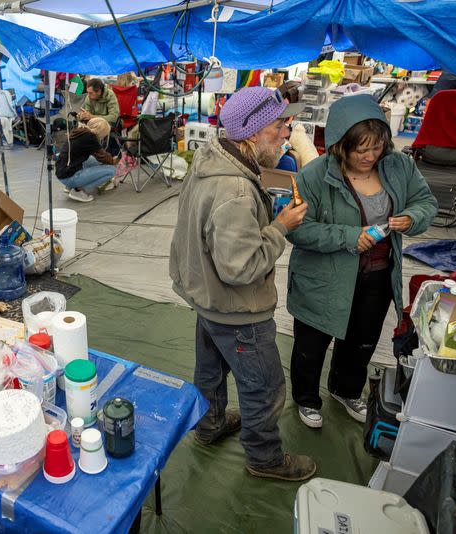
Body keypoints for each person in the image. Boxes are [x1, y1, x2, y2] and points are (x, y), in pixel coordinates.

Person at [169, 87, 316, 481]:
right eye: (280, 125)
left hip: (206, 297)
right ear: (252, 133)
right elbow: (241, 267)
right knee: (264, 386)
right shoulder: (234, 189)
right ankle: (264, 458)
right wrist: (280, 228)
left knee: (211, 370)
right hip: (236, 309)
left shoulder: (212, 159)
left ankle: (210, 422)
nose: (287, 133)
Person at [286, 95, 438, 429]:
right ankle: (307, 398)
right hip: (324, 279)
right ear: (341, 145)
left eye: (377, 148)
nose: (370, 157)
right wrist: (348, 236)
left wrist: (412, 217)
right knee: (312, 344)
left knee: (362, 340)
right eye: (361, 150)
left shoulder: (399, 166)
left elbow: (425, 201)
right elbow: (298, 231)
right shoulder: (313, 176)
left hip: (378, 275)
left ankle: (346, 390)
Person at [55, 117, 118, 203]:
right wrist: (114, 161)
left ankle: (69, 186)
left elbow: (98, 157)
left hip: (62, 172)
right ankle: (78, 190)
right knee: (111, 170)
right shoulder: (90, 137)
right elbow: (103, 157)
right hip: (69, 176)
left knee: (95, 161)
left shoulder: (80, 131)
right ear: (102, 132)